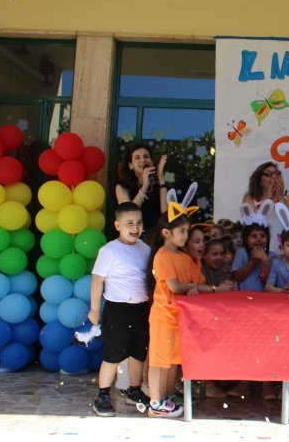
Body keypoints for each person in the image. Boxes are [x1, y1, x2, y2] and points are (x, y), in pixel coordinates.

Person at [146, 207, 232, 418]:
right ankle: (155, 403)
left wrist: (212, 289)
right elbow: (175, 286)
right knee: (158, 361)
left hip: (179, 316)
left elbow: (197, 284)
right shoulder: (162, 256)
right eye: (181, 231)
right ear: (166, 233)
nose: (185, 235)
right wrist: (193, 287)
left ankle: (167, 396)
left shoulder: (184, 258)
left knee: (171, 362)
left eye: (186, 231)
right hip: (164, 316)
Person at [87, 202, 152, 417]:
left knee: (138, 352)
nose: (135, 227)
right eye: (129, 223)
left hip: (140, 308)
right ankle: (103, 396)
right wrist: (95, 309)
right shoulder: (109, 250)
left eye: (139, 222)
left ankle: (134, 390)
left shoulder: (145, 249)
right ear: (117, 225)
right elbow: (97, 280)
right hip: (117, 309)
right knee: (113, 354)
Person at [242, 162, 289, 254]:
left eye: (277, 174)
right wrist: (268, 196)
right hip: (259, 252)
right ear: (259, 181)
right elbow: (251, 226)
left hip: (283, 253)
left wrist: (281, 197)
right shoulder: (250, 199)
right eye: (269, 174)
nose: (274, 177)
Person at [115, 143, 168, 236]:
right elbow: (128, 213)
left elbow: (165, 215)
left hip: (156, 237)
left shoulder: (159, 186)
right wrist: (145, 185)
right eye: (137, 157)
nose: (143, 160)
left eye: (146, 156)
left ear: (152, 162)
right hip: (134, 236)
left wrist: (161, 179)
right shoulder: (123, 187)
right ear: (131, 165)